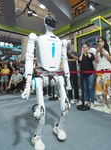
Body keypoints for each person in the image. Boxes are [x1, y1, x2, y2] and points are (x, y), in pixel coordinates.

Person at [21, 15, 71, 150]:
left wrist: (68, 79)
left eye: (54, 20)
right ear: (45, 22)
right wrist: (27, 83)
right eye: (50, 21)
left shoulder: (60, 41)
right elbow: (29, 58)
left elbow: (64, 60)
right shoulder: (36, 38)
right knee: (41, 112)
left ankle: (59, 127)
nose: (52, 22)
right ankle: (36, 137)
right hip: (41, 75)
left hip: (56, 75)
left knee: (66, 108)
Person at [95, 37, 111, 113]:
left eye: (101, 41)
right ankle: (105, 104)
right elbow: (97, 61)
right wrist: (96, 52)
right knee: (101, 89)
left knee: (110, 89)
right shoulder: (97, 50)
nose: (100, 42)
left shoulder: (109, 49)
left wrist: (105, 54)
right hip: (100, 70)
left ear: (104, 42)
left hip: (108, 69)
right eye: (99, 41)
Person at [78, 42, 95, 109]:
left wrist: (87, 53)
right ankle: (87, 100)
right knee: (85, 88)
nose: (84, 48)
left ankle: (92, 102)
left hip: (90, 73)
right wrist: (82, 53)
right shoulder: (80, 54)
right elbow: (79, 61)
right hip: (83, 74)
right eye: (83, 47)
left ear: (88, 48)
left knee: (91, 87)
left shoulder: (91, 54)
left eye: (85, 47)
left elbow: (92, 59)